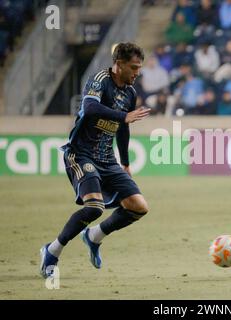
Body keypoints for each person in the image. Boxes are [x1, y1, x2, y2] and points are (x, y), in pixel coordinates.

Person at [40, 43, 151, 278]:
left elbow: (123, 128)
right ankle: (51, 251)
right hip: (81, 154)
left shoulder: (130, 93)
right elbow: (90, 108)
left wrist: (126, 162)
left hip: (108, 159)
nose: (137, 73)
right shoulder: (99, 79)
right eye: (133, 67)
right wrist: (124, 116)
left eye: (139, 68)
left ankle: (93, 236)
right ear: (118, 64)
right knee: (94, 207)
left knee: (139, 207)